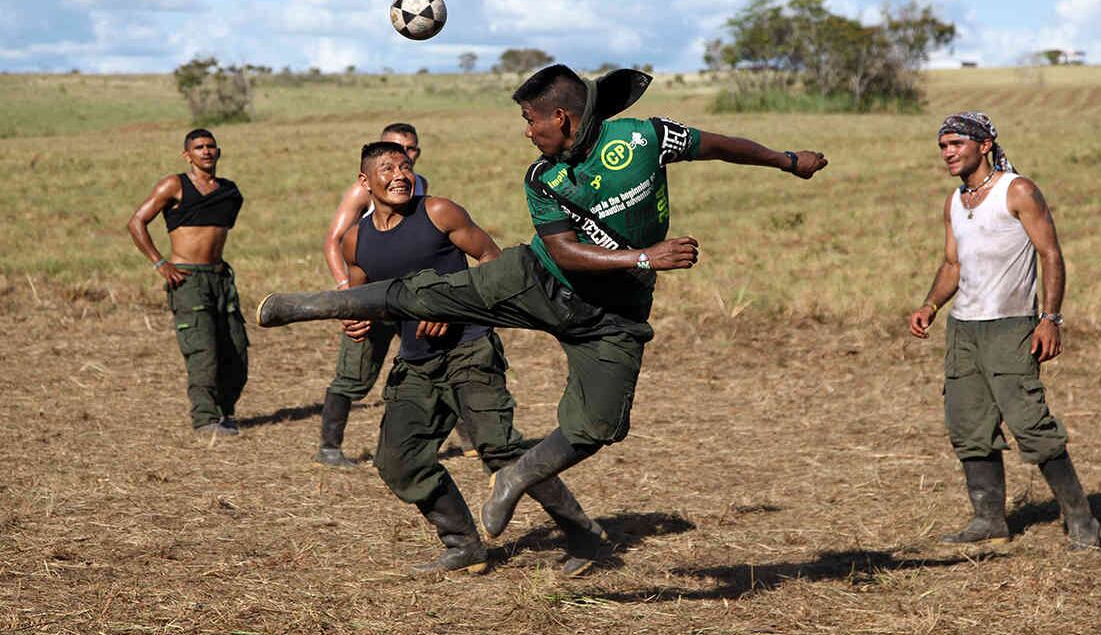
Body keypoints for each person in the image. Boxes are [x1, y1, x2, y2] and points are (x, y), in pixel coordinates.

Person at [255, 64, 828, 546]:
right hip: (541, 280)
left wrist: (784, 159)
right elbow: (566, 252)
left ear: (561, 117)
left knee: (599, 425)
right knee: (433, 292)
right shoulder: (543, 176)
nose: (527, 132)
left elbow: (717, 146)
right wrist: (645, 257)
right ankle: (311, 305)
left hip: (614, 317)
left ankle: (517, 477)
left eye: (530, 120)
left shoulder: (646, 138)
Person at [343, 141, 606, 575]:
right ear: (364, 181)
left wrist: (453, 306)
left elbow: (492, 260)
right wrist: (356, 320)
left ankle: (583, 536)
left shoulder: (439, 212)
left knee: (501, 451)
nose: (400, 175)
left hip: (469, 348)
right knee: (397, 460)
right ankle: (463, 544)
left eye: (405, 166)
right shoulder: (358, 239)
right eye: (387, 167)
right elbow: (361, 295)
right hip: (416, 361)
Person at [908, 111, 1101, 550]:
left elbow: (1050, 255)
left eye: (956, 143)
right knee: (967, 424)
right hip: (964, 330)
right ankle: (988, 519)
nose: (948, 153)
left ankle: (1081, 520)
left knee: (1031, 424)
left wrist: (1050, 319)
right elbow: (953, 263)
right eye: (942, 146)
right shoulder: (955, 202)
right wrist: (931, 304)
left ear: (984, 144)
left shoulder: (1018, 191)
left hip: (1011, 326)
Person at [316, 122, 437, 468]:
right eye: (399, 149)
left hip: (409, 295)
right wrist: (348, 296)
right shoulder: (362, 191)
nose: (407, 156)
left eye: (412, 150)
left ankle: (473, 441)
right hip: (370, 295)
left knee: (435, 360)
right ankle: (329, 447)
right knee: (354, 374)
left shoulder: (417, 184)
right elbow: (333, 241)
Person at [128, 128, 248, 437]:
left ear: (218, 152)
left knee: (235, 349)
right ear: (187, 155)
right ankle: (205, 420)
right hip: (187, 279)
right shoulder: (174, 185)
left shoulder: (230, 192)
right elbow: (136, 222)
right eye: (199, 147)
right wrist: (160, 263)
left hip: (220, 278)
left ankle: (225, 413)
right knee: (202, 350)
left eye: (210, 146)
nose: (206, 151)